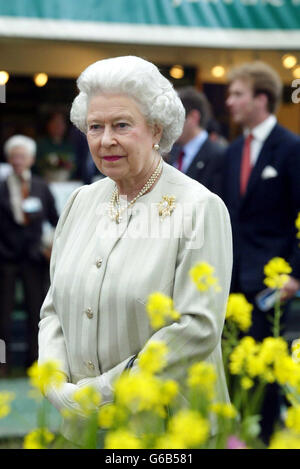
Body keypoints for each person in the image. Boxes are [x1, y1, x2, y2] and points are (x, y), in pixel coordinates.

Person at [38, 56, 232, 442]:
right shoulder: (80, 201)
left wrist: (100, 395)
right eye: (95, 126)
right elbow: (53, 310)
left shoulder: (199, 207)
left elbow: (197, 328)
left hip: (166, 430)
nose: (105, 139)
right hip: (82, 429)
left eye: (121, 125)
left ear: (156, 129)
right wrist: (58, 385)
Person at [222, 61, 300, 441]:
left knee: (267, 366)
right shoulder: (233, 150)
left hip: (273, 281)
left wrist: (296, 275)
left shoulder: (291, 147)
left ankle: (267, 438)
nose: (229, 101)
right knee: (235, 364)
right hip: (232, 277)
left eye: (237, 93)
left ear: (262, 99)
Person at [0, 135, 59, 374]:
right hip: (5, 258)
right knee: (2, 314)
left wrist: (49, 246)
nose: (18, 160)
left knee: (38, 311)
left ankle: (35, 362)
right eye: (14, 156)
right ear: (8, 159)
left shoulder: (41, 186)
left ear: (31, 159)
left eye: (22, 156)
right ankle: (2, 364)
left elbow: (56, 220)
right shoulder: (2, 186)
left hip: (34, 259)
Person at [169, 86, 226, 197]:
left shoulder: (218, 155)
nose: (169, 124)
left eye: (175, 118)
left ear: (193, 117)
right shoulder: (173, 152)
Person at [35, 111, 76, 182]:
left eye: (61, 123)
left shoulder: (70, 146)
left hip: (67, 184)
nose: (58, 126)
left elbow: (75, 166)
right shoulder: (41, 145)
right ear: (48, 125)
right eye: (55, 123)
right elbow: (36, 165)